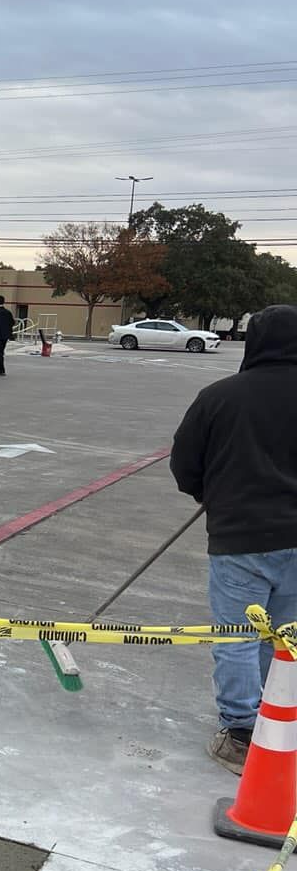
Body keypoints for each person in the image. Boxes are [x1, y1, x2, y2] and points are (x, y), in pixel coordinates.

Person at [170, 303, 297, 775]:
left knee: (239, 638)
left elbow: (185, 465)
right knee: (284, 638)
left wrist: (214, 495)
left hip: (240, 538)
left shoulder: (219, 396)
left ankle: (243, 733)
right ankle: (277, 722)